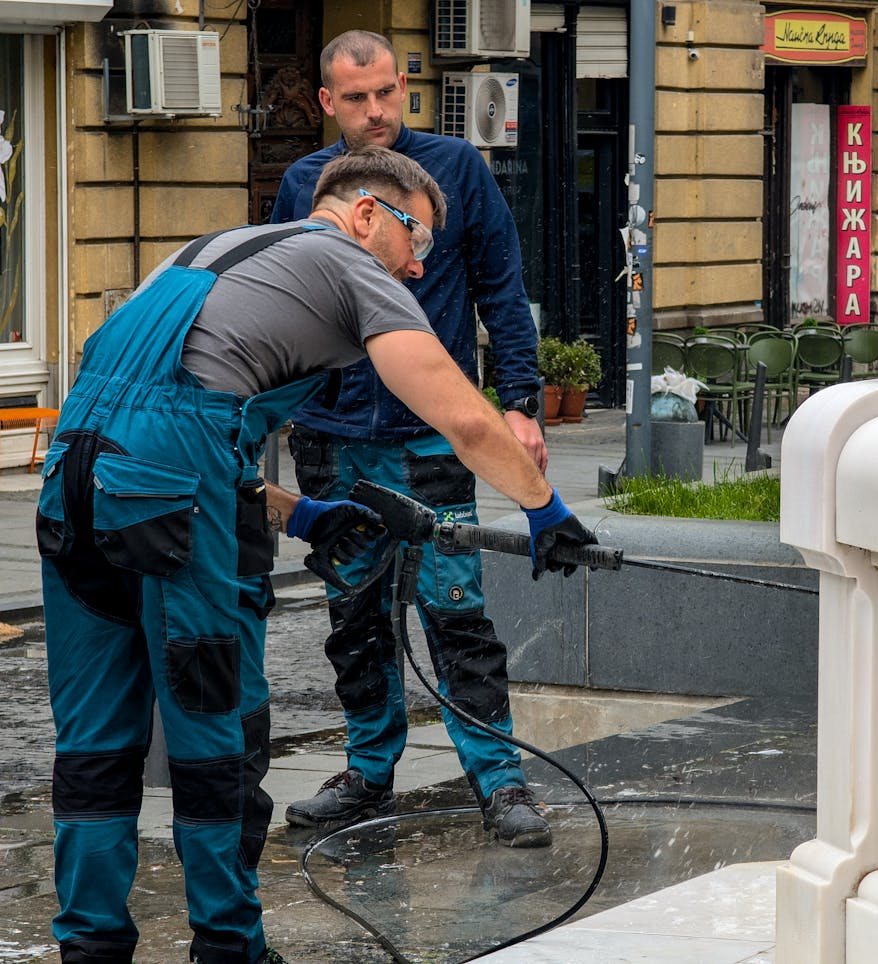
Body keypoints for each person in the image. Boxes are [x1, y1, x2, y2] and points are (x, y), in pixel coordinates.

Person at [37, 146, 595, 964]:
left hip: (72, 484)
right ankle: (230, 948)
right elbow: (467, 422)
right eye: (420, 243)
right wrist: (548, 511)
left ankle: (89, 950)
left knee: (94, 742)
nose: (417, 267)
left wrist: (298, 514)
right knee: (216, 736)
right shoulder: (346, 263)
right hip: (170, 500)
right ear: (368, 213)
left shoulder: (201, 257)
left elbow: (141, 426)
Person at [270, 30, 553, 847]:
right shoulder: (303, 184)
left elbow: (502, 285)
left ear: (406, 87)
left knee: (456, 612)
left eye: (387, 92)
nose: (375, 111)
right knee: (353, 618)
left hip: (431, 437)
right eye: (355, 99)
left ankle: (500, 784)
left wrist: (522, 403)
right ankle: (367, 771)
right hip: (330, 438)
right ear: (328, 103)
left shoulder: (456, 172)